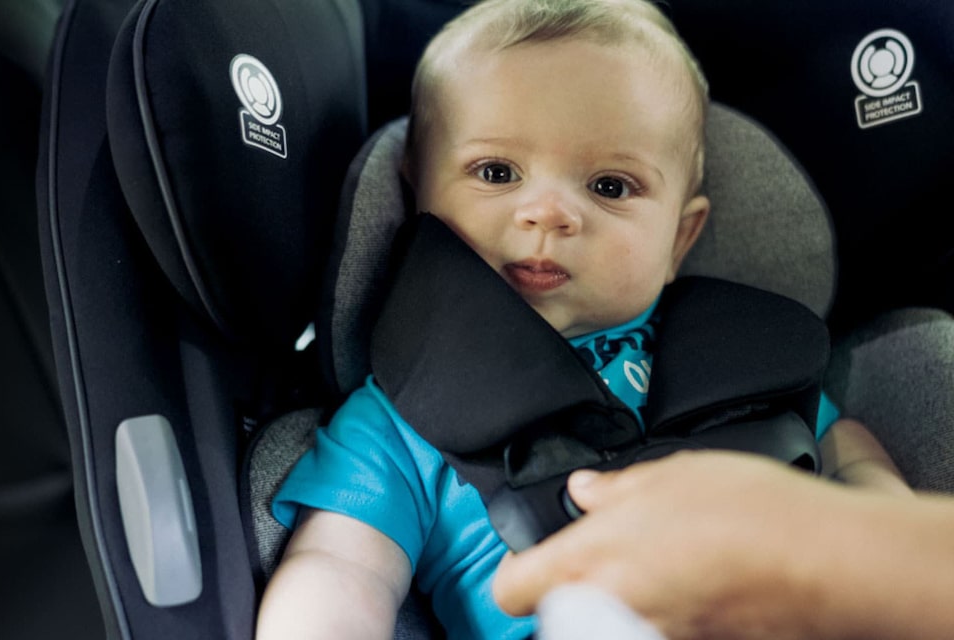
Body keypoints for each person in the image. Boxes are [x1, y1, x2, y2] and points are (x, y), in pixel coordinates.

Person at [255, 0, 909, 637]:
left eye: (610, 186)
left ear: (680, 239)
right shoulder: (405, 413)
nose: (549, 213)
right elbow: (342, 568)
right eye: (497, 171)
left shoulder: (744, 361)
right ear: (415, 194)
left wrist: (879, 511)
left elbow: (845, 454)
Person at [493, 450, 954, 640]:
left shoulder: (759, 358)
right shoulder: (426, 430)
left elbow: (858, 459)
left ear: (683, 243)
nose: (549, 234)